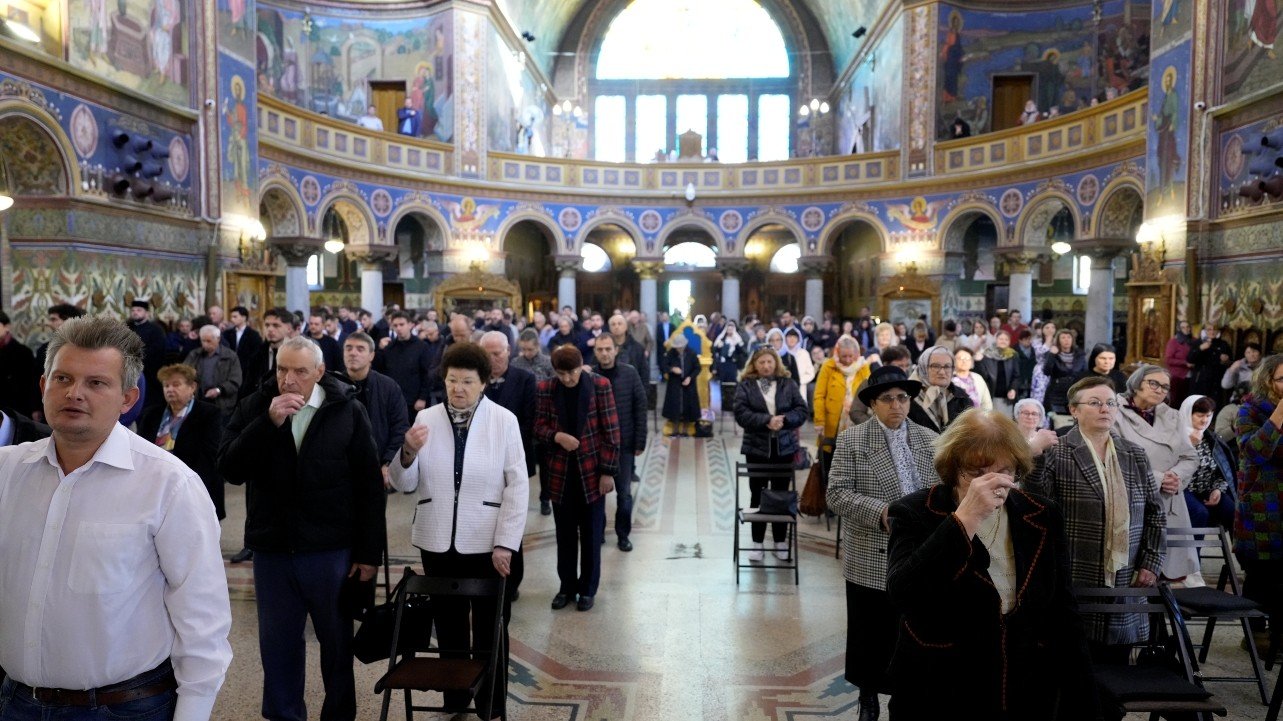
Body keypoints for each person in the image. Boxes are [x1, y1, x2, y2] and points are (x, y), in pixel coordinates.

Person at [0, 315, 232, 720]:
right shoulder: (8, 471)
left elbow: (203, 619)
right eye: (63, 379)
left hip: (120, 708)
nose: (75, 393)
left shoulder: (168, 484)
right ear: (43, 386)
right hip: (16, 702)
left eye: (96, 383)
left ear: (128, 398)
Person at [886, 410, 1096, 720]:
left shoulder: (1041, 513)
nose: (992, 482)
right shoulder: (915, 512)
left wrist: (1083, 696)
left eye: (1004, 470)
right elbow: (904, 594)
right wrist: (965, 520)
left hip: (1024, 677)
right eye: (976, 471)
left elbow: (1063, 607)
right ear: (953, 468)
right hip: (943, 678)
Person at [218, 336, 386, 721]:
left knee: (336, 645)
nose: (288, 380)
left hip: (330, 550)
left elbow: (368, 488)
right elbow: (229, 466)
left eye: (299, 371)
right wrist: (268, 423)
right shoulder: (256, 406)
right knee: (278, 646)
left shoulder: (347, 410)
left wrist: (367, 555)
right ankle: (284, 715)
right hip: (273, 550)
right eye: (281, 370)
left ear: (319, 372)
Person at [390, 342, 527, 718]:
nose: (458, 389)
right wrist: (407, 452)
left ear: (484, 382)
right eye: (452, 380)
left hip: (487, 542)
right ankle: (455, 700)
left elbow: (517, 485)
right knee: (448, 625)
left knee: (490, 627)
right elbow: (403, 483)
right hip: (436, 539)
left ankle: (490, 704)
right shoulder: (426, 419)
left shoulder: (504, 421)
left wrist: (506, 544)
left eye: (467, 381)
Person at [827, 365, 940, 721]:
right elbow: (837, 494)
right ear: (873, 404)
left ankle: (904, 697)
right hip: (872, 551)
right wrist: (883, 512)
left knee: (911, 629)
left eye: (903, 398)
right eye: (887, 399)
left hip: (919, 552)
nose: (897, 405)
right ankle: (868, 695)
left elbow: (942, 491)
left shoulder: (929, 438)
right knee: (870, 631)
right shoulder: (853, 439)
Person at [1024, 376, 1165, 652]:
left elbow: (1155, 512)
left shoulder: (1133, 453)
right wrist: (1034, 455)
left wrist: (1151, 561)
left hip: (1127, 571)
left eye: (1111, 403)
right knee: (1076, 654)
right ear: (1074, 411)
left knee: (1119, 660)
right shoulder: (1057, 451)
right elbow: (1036, 505)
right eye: (1095, 403)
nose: (1105, 409)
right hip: (1076, 569)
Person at [535, 345, 621, 612]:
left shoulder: (599, 385)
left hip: (592, 473)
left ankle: (587, 589)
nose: (567, 379)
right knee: (564, 535)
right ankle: (566, 587)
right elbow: (538, 426)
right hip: (561, 474)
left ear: (581, 366)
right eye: (561, 374)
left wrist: (608, 472)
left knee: (592, 535)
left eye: (571, 373)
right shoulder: (546, 389)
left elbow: (612, 431)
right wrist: (556, 436)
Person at [1113, 364, 1201, 585]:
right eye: (1153, 383)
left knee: (1164, 577)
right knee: (1133, 575)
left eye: (1165, 386)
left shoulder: (1172, 416)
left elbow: (1190, 457)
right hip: (1133, 498)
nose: (1160, 390)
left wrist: (1176, 477)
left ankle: (1159, 620)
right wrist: (1160, 479)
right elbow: (1117, 458)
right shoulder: (1114, 411)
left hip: (1170, 500)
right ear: (1136, 383)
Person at [733, 347, 809, 562]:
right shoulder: (746, 385)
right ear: (754, 365)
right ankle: (757, 542)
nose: (766, 366)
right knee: (757, 494)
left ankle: (779, 541)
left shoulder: (788, 383)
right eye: (761, 363)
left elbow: (801, 410)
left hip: (783, 448)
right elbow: (741, 414)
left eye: (769, 362)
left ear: (776, 363)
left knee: (781, 495)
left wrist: (783, 420)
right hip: (756, 449)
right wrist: (767, 420)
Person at [1233, 354, 1283, 630]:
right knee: (1262, 574)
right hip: (1262, 504)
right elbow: (1255, 451)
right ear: (1267, 381)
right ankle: (1254, 634)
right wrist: (1278, 415)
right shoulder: (1249, 410)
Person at [139, 363, 225, 519]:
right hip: (157, 489)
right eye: (166, 385)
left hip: (196, 488)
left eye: (176, 384)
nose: (170, 389)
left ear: (192, 387)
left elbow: (209, 457)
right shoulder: (151, 415)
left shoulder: (209, 414)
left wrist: (186, 486)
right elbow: (141, 454)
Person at [590, 333, 648, 552]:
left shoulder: (629, 373)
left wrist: (640, 440)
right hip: (596, 445)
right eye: (600, 349)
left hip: (624, 443)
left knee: (623, 492)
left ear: (615, 350)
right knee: (597, 493)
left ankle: (623, 534)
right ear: (595, 352)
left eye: (608, 349)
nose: (604, 353)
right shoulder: (589, 375)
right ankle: (598, 531)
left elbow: (640, 407)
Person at [341, 332, 409, 490]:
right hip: (341, 471)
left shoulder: (388, 387)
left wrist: (388, 462)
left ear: (371, 356)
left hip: (376, 467)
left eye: (360, 349)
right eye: (348, 348)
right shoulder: (333, 387)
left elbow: (400, 427)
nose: (353, 353)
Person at [813, 337, 873, 478]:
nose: (847, 360)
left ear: (857, 354)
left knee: (852, 467)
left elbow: (869, 392)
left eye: (850, 356)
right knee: (829, 465)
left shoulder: (863, 367)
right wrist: (819, 421)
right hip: (831, 424)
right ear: (837, 353)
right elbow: (819, 395)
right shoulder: (828, 366)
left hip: (855, 423)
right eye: (843, 356)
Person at [1179, 395, 1236, 530]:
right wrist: (1189, 445)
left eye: (1208, 415)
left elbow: (1222, 471)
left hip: (1207, 489)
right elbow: (1170, 465)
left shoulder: (1211, 438)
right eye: (1200, 415)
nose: (1205, 420)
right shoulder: (1175, 435)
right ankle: (1194, 552)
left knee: (1234, 511)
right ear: (1188, 414)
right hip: (1182, 491)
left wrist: (1218, 489)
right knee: (1200, 513)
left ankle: (1240, 551)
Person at [375, 310, 435, 419]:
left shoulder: (422, 346)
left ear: (410, 325)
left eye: (401, 324)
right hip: (393, 399)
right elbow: (380, 371)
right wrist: (379, 349)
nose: (398, 328)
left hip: (415, 401)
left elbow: (427, 374)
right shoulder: (389, 348)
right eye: (395, 325)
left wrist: (422, 398)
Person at [183, 325, 243, 422]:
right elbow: (183, 374)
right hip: (199, 402)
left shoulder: (230, 356)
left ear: (218, 339)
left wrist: (219, 390)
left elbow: (236, 380)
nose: (205, 344)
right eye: (203, 341)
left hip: (222, 404)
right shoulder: (194, 355)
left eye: (209, 341)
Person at [908, 345, 972, 433]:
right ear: (923, 368)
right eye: (935, 366)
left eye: (947, 366)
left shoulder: (962, 398)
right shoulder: (909, 398)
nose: (942, 372)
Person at [847, 345, 911, 428]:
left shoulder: (908, 385)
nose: (904, 370)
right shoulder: (869, 383)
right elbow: (856, 412)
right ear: (885, 364)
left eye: (907, 366)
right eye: (900, 365)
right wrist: (877, 428)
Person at [127, 300, 167, 409]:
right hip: (128, 372)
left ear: (147, 313)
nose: (135, 312)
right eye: (133, 310)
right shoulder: (127, 327)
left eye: (139, 310)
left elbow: (157, 352)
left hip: (149, 373)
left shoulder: (156, 330)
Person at [0, 310, 40, 417]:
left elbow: (31, 385)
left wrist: (34, 409)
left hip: (17, 412)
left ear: (7, 327)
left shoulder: (23, 352)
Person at [1043, 329, 1086, 425]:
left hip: (1075, 392)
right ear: (1058, 340)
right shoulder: (1052, 354)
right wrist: (1051, 355)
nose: (1066, 340)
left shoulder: (1080, 354)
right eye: (1063, 337)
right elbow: (1046, 371)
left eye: (1069, 337)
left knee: (1074, 422)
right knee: (1057, 422)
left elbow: (1084, 373)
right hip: (1056, 392)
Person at [662, 333, 700, 435]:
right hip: (674, 383)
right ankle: (675, 429)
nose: (678, 350)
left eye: (680, 347)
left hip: (688, 384)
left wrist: (690, 378)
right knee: (675, 406)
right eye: (677, 348)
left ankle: (685, 429)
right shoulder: (671, 353)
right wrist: (672, 369)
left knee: (687, 405)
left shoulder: (692, 353)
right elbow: (664, 365)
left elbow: (697, 368)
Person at [977, 330, 1021, 416]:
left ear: (1009, 342)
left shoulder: (1013, 355)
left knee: (1005, 425)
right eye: (1001, 338)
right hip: (990, 396)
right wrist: (979, 362)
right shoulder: (987, 355)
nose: (1003, 341)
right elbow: (983, 376)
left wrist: (1013, 389)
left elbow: (1016, 376)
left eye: (1006, 339)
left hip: (1006, 398)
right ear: (996, 340)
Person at [1188, 324, 1233, 405]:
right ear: (1204, 331)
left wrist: (1226, 360)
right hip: (1200, 380)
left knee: (1214, 406)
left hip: (1217, 381)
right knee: (1199, 405)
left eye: (1214, 329)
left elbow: (1231, 362)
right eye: (1209, 329)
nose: (1212, 331)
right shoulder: (1197, 342)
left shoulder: (1223, 344)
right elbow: (1189, 359)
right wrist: (1200, 348)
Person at [221, 305, 262, 372]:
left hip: (247, 369)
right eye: (231, 317)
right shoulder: (227, 333)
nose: (232, 319)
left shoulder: (253, 335)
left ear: (243, 317)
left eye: (235, 317)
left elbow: (256, 353)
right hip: (229, 368)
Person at [1165, 320, 1196, 407]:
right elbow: (1168, 360)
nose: (1186, 329)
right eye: (1183, 327)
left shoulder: (1195, 341)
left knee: (1189, 401)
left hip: (1193, 375)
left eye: (1188, 327)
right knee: (1176, 400)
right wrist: (1184, 363)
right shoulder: (1173, 342)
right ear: (1179, 329)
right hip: (1178, 376)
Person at [951, 347, 992, 411]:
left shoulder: (978, 378)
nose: (964, 361)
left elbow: (987, 403)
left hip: (978, 418)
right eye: (960, 358)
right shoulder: (949, 379)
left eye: (967, 359)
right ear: (954, 361)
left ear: (971, 361)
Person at [1029, 320, 1059, 406]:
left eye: (1053, 327)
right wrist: (1048, 341)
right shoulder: (1036, 341)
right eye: (1047, 327)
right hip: (1041, 371)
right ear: (1042, 330)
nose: (1050, 329)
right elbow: (1039, 353)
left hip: (1055, 370)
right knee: (1039, 397)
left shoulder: (1058, 341)